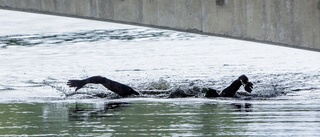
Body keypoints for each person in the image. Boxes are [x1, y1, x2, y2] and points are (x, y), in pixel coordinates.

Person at [67, 75, 253, 98]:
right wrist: (244, 83)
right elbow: (101, 79)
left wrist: (83, 82)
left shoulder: (129, 94)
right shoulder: (130, 93)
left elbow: (101, 78)